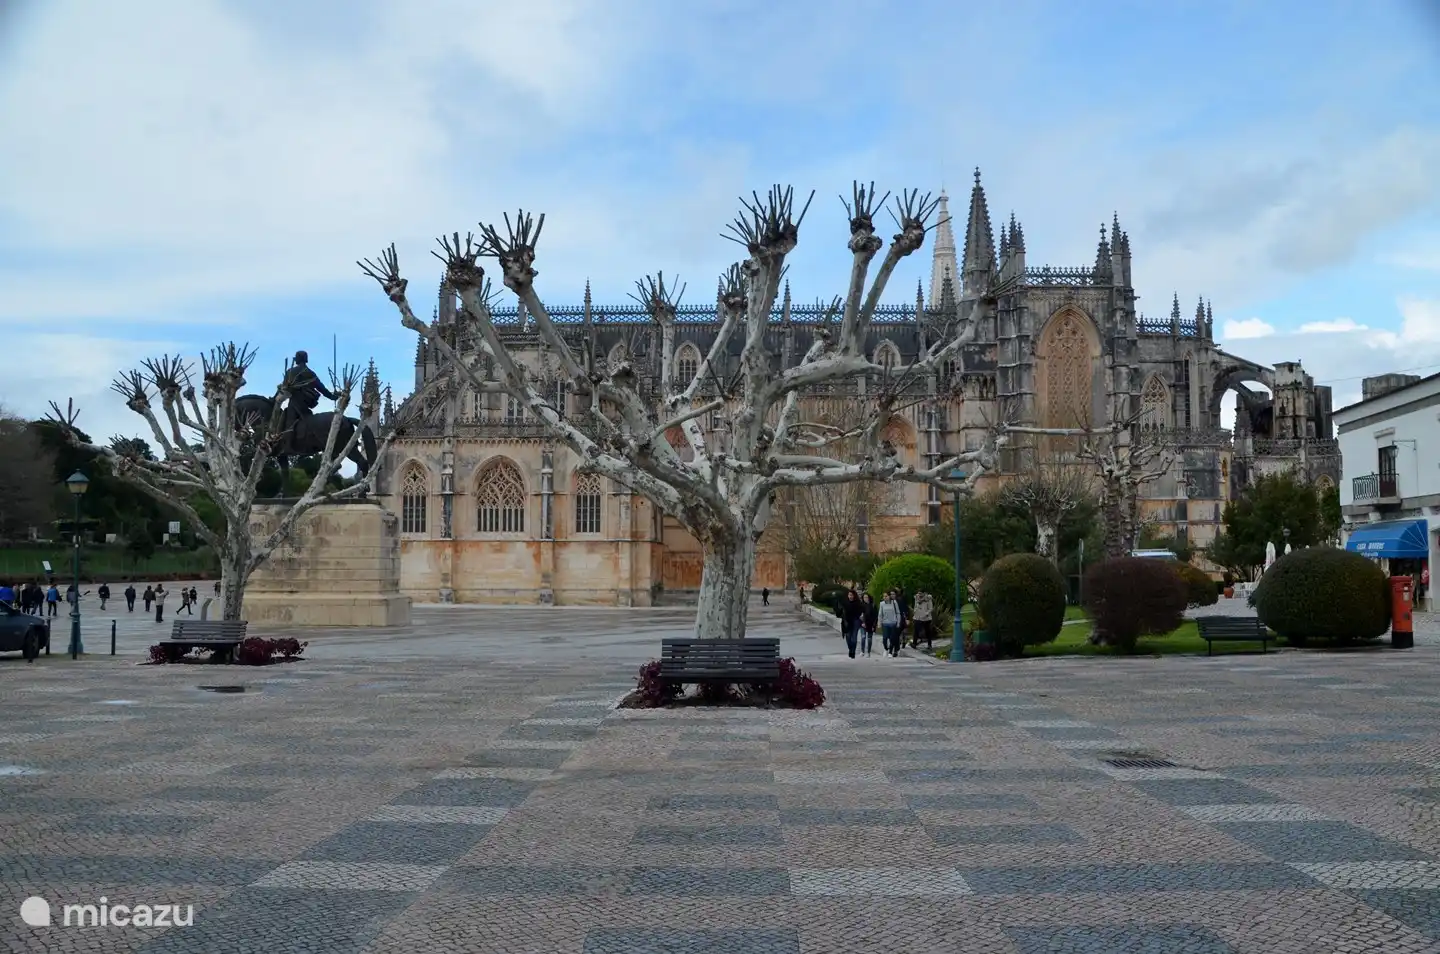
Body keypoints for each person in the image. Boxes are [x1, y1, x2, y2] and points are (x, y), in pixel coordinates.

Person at [281, 350, 336, 447]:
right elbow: (321, 388)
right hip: (307, 404)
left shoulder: (290, 372)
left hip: (295, 403)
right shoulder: (310, 373)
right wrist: (332, 397)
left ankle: (287, 445)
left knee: (289, 422)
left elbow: (283, 389)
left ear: (297, 360)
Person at [839, 589, 865, 659]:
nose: (850, 596)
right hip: (847, 622)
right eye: (849, 595)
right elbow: (841, 612)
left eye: (851, 595)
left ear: (854, 596)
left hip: (855, 621)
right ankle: (850, 649)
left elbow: (862, 612)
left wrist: (862, 619)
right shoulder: (845, 603)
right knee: (848, 637)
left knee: (854, 637)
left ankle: (853, 651)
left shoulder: (858, 603)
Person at [878, 589, 902, 657]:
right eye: (883, 596)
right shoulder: (882, 603)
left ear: (889, 596)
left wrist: (898, 622)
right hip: (885, 623)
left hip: (893, 623)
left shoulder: (894, 602)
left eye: (886, 596)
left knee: (892, 638)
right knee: (885, 638)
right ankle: (886, 649)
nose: (884, 597)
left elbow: (898, 613)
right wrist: (879, 622)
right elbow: (880, 614)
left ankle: (890, 652)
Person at [860, 593, 878, 657]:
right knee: (863, 637)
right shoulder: (861, 605)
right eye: (864, 597)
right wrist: (862, 622)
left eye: (867, 597)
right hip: (863, 624)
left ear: (869, 598)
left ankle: (868, 652)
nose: (865, 599)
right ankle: (862, 651)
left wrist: (874, 626)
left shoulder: (873, 605)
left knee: (869, 638)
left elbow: (876, 616)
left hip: (871, 624)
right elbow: (860, 615)